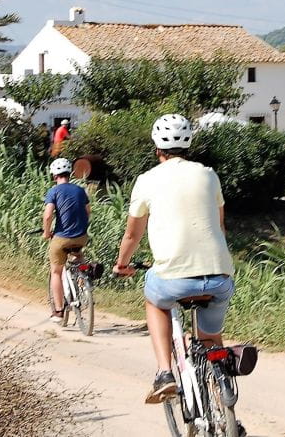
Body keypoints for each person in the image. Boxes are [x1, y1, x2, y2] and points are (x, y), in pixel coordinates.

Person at [113, 114, 236, 405]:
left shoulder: (147, 180)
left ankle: (164, 372)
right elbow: (220, 227)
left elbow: (132, 236)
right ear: (190, 143)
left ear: (157, 148)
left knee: (154, 300)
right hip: (219, 276)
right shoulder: (209, 174)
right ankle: (226, 406)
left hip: (173, 279)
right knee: (210, 341)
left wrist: (121, 264)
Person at [41, 157, 91, 322]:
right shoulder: (80, 190)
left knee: (56, 271)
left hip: (62, 238)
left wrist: (46, 233)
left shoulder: (53, 191)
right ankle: (85, 286)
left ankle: (59, 310)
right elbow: (88, 211)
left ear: (54, 176)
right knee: (78, 257)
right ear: (69, 174)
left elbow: (48, 216)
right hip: (82, 237)